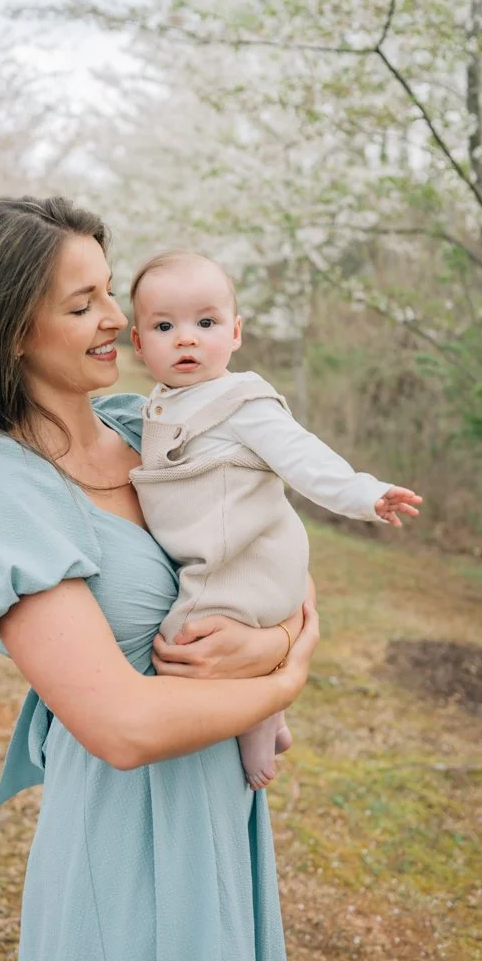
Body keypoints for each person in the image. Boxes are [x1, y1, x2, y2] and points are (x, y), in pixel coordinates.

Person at [0, 196, 320, 961]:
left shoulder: (152, 426)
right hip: (127, 824)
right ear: (12, 331)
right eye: (82, 303)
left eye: (108, 289)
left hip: (220, 799)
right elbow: (122, 728)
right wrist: (284, 677)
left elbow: (281, 550)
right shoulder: (1, 483)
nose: (115, 318)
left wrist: (270, 637)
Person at [128, 250, 422, 790]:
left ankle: (259, 717)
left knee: (184, 640)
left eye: (206, 322)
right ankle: (270, 715)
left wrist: (367, 494)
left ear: (236, 333)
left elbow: (305, 459)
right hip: (215, 550)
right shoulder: (157, 404)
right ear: (139, 343)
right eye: (165, 326)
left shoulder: (243, 402)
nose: (187, 338)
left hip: (245, 557)